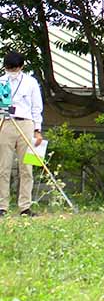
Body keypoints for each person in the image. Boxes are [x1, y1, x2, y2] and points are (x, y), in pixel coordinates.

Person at [0, 50, 44, 217]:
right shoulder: (1, 81)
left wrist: (37, 130)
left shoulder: (30, 82)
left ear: (21, 67)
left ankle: (25, 206)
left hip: (26, 124)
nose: (11, 71)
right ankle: (2, 206)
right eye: (9, 68)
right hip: (5, 122)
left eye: (14, 68)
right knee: (3, 167)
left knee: (26, 167)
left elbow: (36, 107)